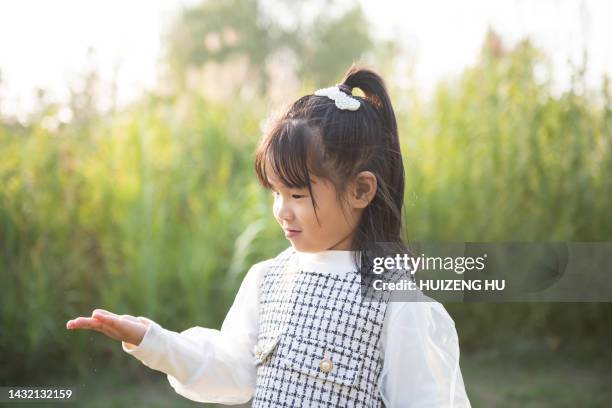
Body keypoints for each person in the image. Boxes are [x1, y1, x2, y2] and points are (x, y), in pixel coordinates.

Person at [67, 64, 471, 407]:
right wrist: (151, 340)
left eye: (297, 194)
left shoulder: (394, 300)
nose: (282, 210)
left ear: (361, 190)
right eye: (276, 192)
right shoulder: (268, 279)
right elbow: (230, 368)